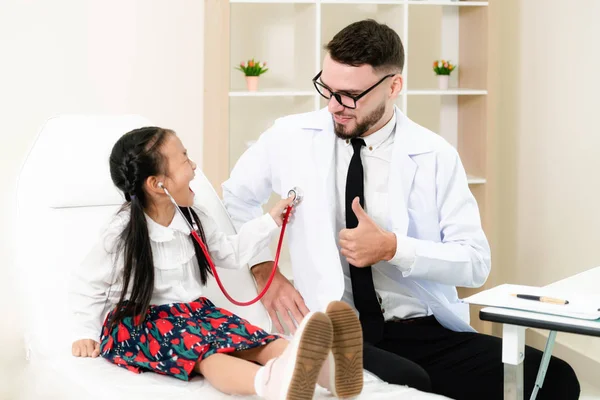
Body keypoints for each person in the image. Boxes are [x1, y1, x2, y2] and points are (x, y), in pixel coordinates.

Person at [222, 19, 580, 400]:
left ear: (394, 86)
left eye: (350, 95)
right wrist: (265, 270)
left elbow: (475, 263)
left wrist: (394, 248)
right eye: (327, 89)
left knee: (557, 379)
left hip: (423, 329)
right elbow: (235, 198)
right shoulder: (289, 137)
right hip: (341, 329)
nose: (333, 106)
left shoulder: (435, 154)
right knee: (412, 383)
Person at [68, 127, 364, 400]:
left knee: (254, 339)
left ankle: (331, 373)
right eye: (184, 159)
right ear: (158, 184)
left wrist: (269, 222)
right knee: (206, 354)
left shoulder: (193, 217)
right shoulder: (121, 234)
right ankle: (270, 382)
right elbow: (88, 284)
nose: (194, 166)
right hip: (144, 323)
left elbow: (230, 253)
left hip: (196, 313)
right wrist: (85, 332)